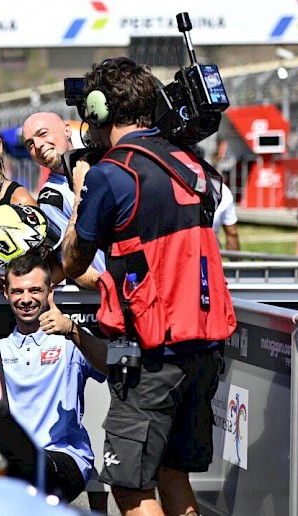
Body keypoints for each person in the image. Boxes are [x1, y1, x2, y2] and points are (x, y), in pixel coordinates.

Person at [60, 57, 236, 516]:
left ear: (98, 109)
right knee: (173, 473)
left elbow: (74, 260)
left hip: (147, 354)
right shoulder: (189, 162)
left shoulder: (111, 173)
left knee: (129, 486)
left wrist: (81, 190)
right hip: (203, 348)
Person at [0, 253, 106, 503]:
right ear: (6, 293)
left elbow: (109, 367)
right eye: (17, 291)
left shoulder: (70, 339)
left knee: (24, 474)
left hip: (65, 457)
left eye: (35, 290)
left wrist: (72, 330)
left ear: (50, 291)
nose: (26, 299)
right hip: (15, 463)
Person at [21, 112, 106, 289]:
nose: (38, 145)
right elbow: (72, 266)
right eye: (30, 144)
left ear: (67, 130)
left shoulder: (105, 161)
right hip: (109, 293)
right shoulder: (51, 198)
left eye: (43, 134)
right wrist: (110, 284)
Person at [212, 180, 240, 250]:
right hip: (208, 247)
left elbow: (232, 232)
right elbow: (232, 232)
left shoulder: (223, 189)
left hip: (188, 245)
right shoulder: (222, 189)